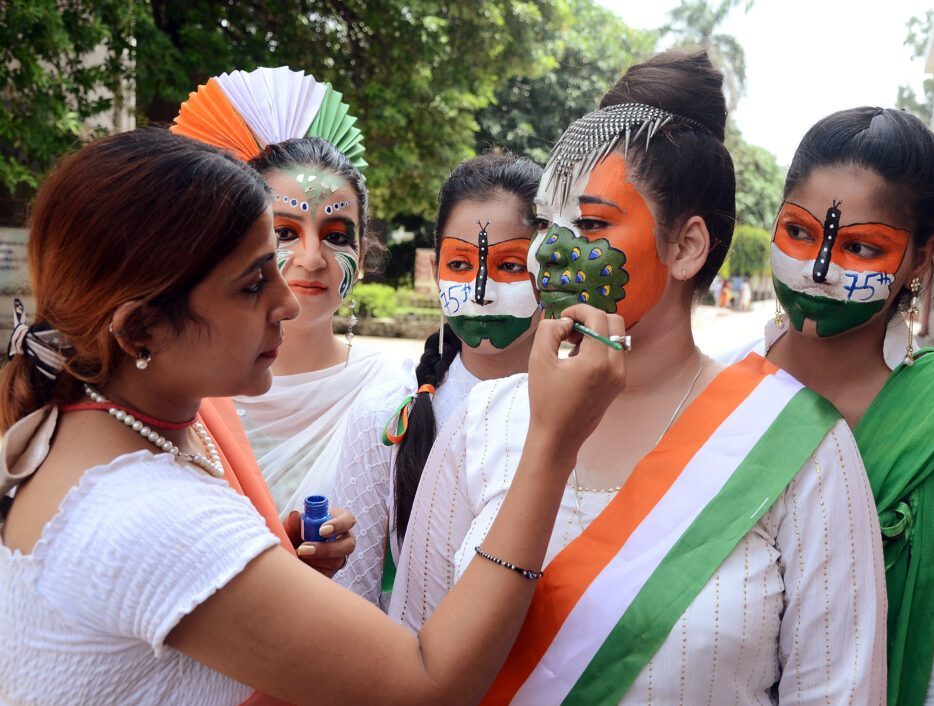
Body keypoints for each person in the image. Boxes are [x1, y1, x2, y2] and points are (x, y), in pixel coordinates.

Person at [0, 128, 626, 705]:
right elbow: (428, 687)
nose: (285, 298)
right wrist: (551, 443)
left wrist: (279, 586)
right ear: (141, 329)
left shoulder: (85, 432)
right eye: (252, 282)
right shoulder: (147, 513)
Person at [391, 51, 887, 704]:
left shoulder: (798, 445)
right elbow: (410, 657)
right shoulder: (483, 422)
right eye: (546, 223)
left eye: (590, 224)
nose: (548, 252)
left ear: (685, 247)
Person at [731, 107, 934, 706]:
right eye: (800, 233)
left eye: (861, 247)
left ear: (921, 258)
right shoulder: (717, 386)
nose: (818, 271)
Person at [172, 68, 400, 519]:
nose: (313, 258)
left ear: (363, 248)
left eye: (337, 235)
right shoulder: (190, 394)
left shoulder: (396, 393)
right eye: (284, 232)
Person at [328, 153, 543, 606]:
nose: (482, 290)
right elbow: (351, 600)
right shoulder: (386, 418)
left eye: (510, 266)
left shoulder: (587, 409)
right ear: (435, 270)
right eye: (461, 265)